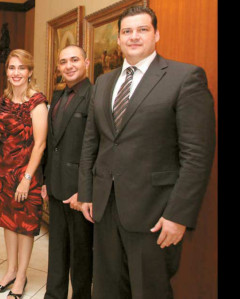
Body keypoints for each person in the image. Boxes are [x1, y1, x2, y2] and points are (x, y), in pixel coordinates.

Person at [78, 6, 215, 298]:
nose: (134, 37)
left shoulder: (184, 77)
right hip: (105, 209)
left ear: (156, 34)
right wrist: (87, 192)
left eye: (142, 29)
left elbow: (197, 155)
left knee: (148, 290)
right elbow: (92, 142)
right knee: (105, 289)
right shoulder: (103, 82)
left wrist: (179, 215)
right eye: (127, 31)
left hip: (155, 213)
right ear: (118, 39)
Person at [0, 49, 48, 299]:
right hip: (3, 170)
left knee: (25, 226)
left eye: (21, 68)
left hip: (26, 173)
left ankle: (21, 275)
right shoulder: (5, 99)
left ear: (30, 71)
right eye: (12, 68)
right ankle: (10, 270)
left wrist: (26, 179)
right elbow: (1, 136)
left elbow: (40, 144)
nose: (16, 73)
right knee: (7, 222)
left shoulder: (38, 102)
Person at [42, 45, 93, 299]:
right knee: (57, 250)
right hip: (55, 185)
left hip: (79, 194)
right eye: (63, 62)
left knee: (81, 256)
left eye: (74, 60)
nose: (69, 65)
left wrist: (85, 191)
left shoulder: (95, 96)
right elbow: (52, 143)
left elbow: (96, 147)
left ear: (87, 62)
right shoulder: (58, 96)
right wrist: (44, 179)